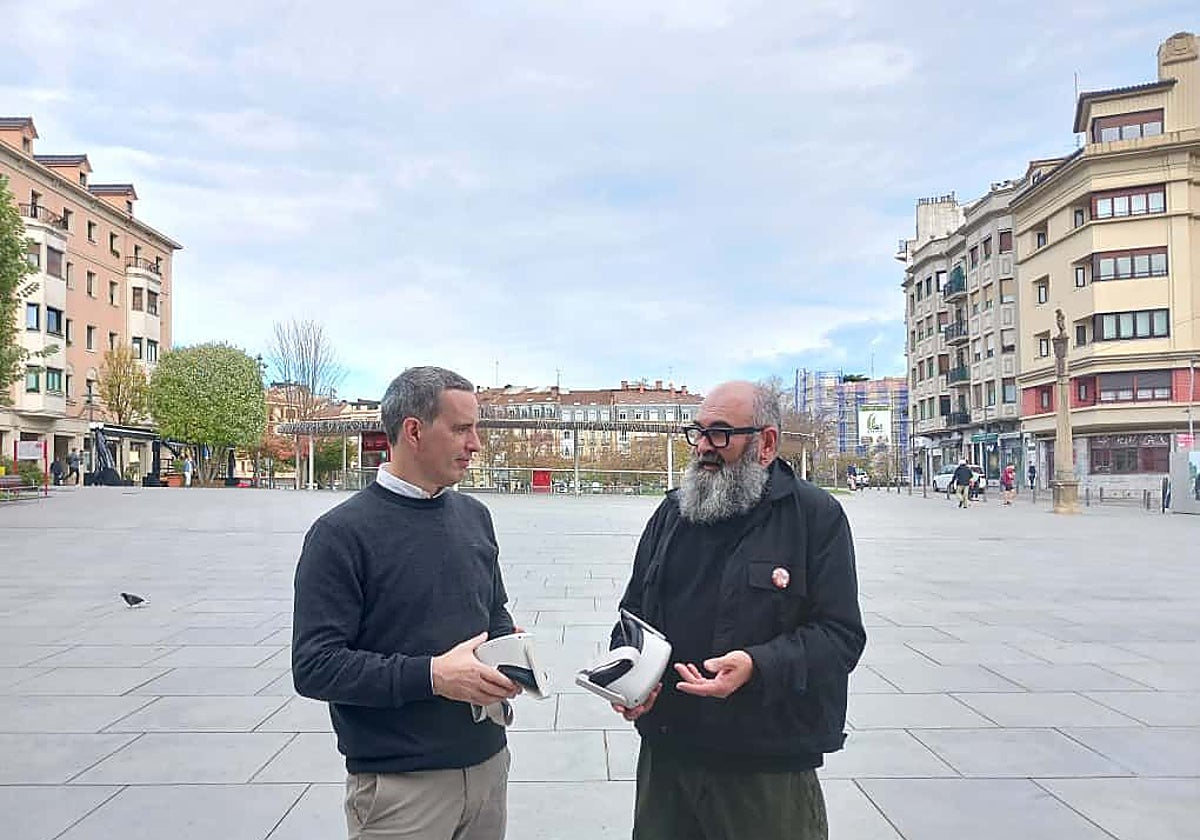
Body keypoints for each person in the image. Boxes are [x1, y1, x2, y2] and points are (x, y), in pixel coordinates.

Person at [612, 380, 865, 840]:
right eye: (699, 432)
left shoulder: (814, 517)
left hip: (765, 768)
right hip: (668, 758)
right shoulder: (672, 513)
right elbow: (633, 616)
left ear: (765, 443)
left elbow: (841, 637)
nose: (704, 447)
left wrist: (756, 665)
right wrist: (632, 680)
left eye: (721, 433)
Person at [292, 366, 520, 840]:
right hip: (401, 790)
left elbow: (494, 612)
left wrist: (512, 658)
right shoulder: (340, 535)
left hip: (487, 768)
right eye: (461, 429)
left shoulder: (475, 517)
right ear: (414, 430)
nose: (475, 443)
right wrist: (433, 676)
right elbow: (314, 666)